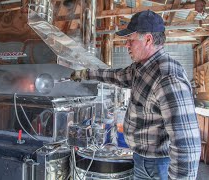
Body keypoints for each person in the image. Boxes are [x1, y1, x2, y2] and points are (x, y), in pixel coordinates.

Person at [70, 10, 201, 180]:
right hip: (141, 159)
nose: (127, 45)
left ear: (148, 39)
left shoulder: (168, 78)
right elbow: (115, 76)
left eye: (130, 40)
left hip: (160, 166)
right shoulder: (141, 68)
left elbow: (186, 144)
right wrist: (85, 74)